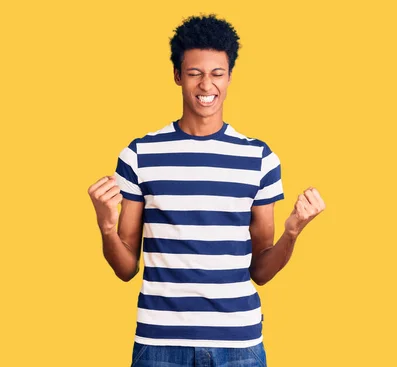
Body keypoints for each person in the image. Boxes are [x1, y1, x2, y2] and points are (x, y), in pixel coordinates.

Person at [87, 14, 325, 367]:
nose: (206, 85)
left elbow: (260, 270)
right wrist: (106, 226)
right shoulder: (139, 154)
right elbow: (125, 268)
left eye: (217, 73)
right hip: (159, 344)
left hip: (238, 345)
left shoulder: (259, 158)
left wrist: (293, 232)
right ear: (178, 76)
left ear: (229, 77)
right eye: (195, 73)